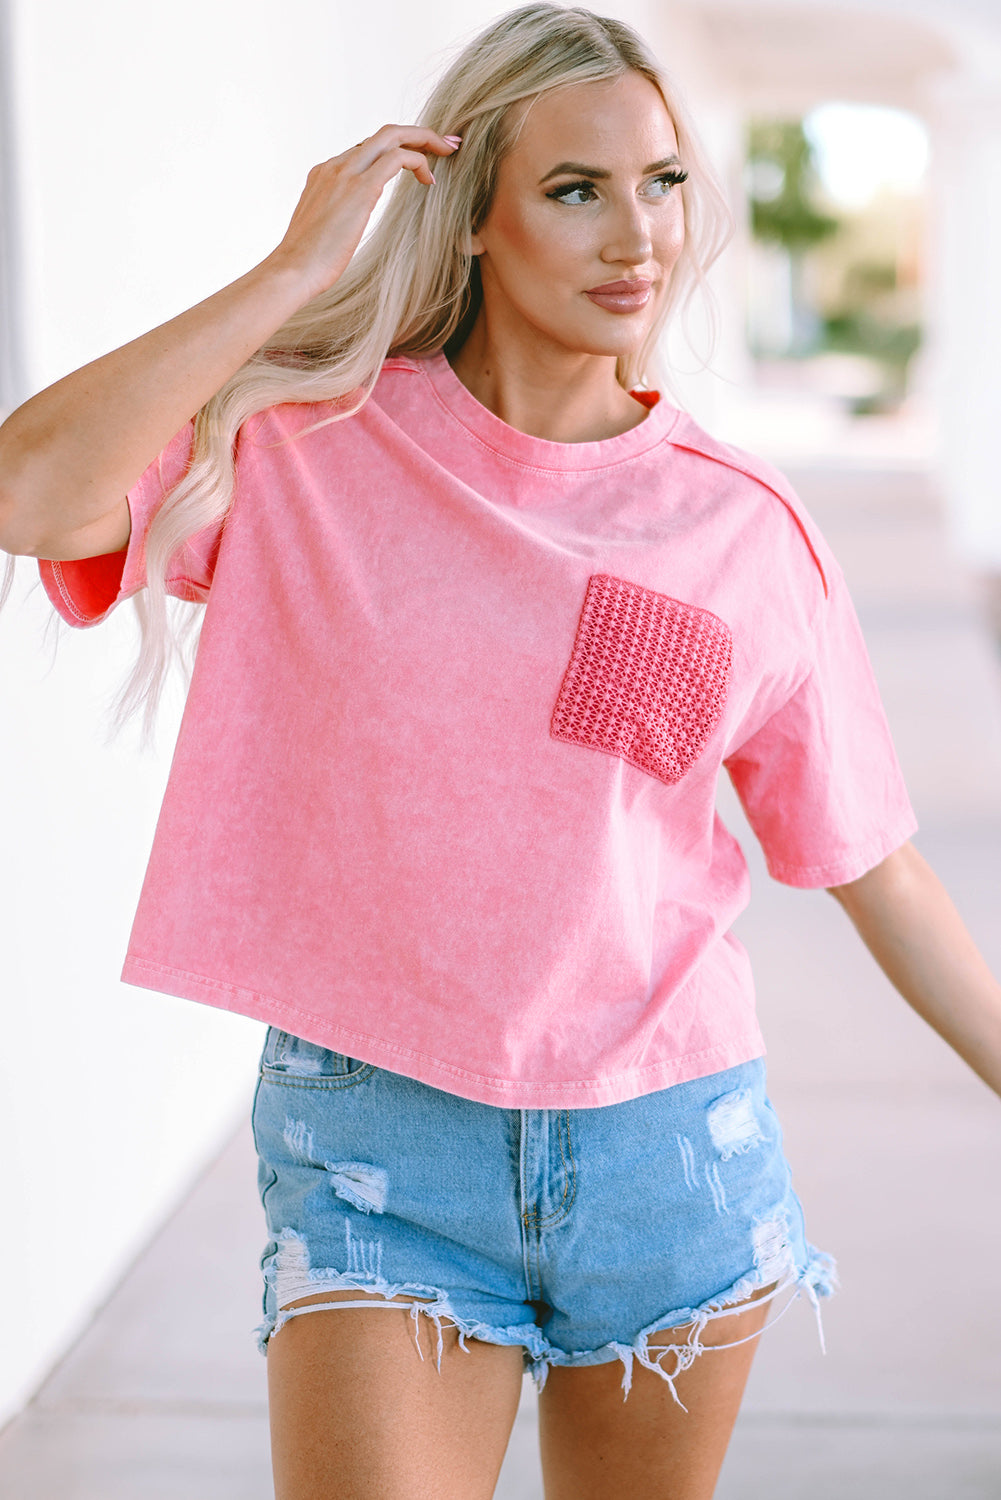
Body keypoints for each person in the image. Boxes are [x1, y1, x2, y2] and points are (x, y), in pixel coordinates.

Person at [1, 5, 999, 1497]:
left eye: (661, 182)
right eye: (575, 188)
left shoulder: (742, 527)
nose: (636, 236)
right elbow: (36, 495)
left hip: (669, 1156)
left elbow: (872, 862)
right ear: (471, 220)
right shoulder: (307, 447)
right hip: (378, 1158)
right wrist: (291, 274)